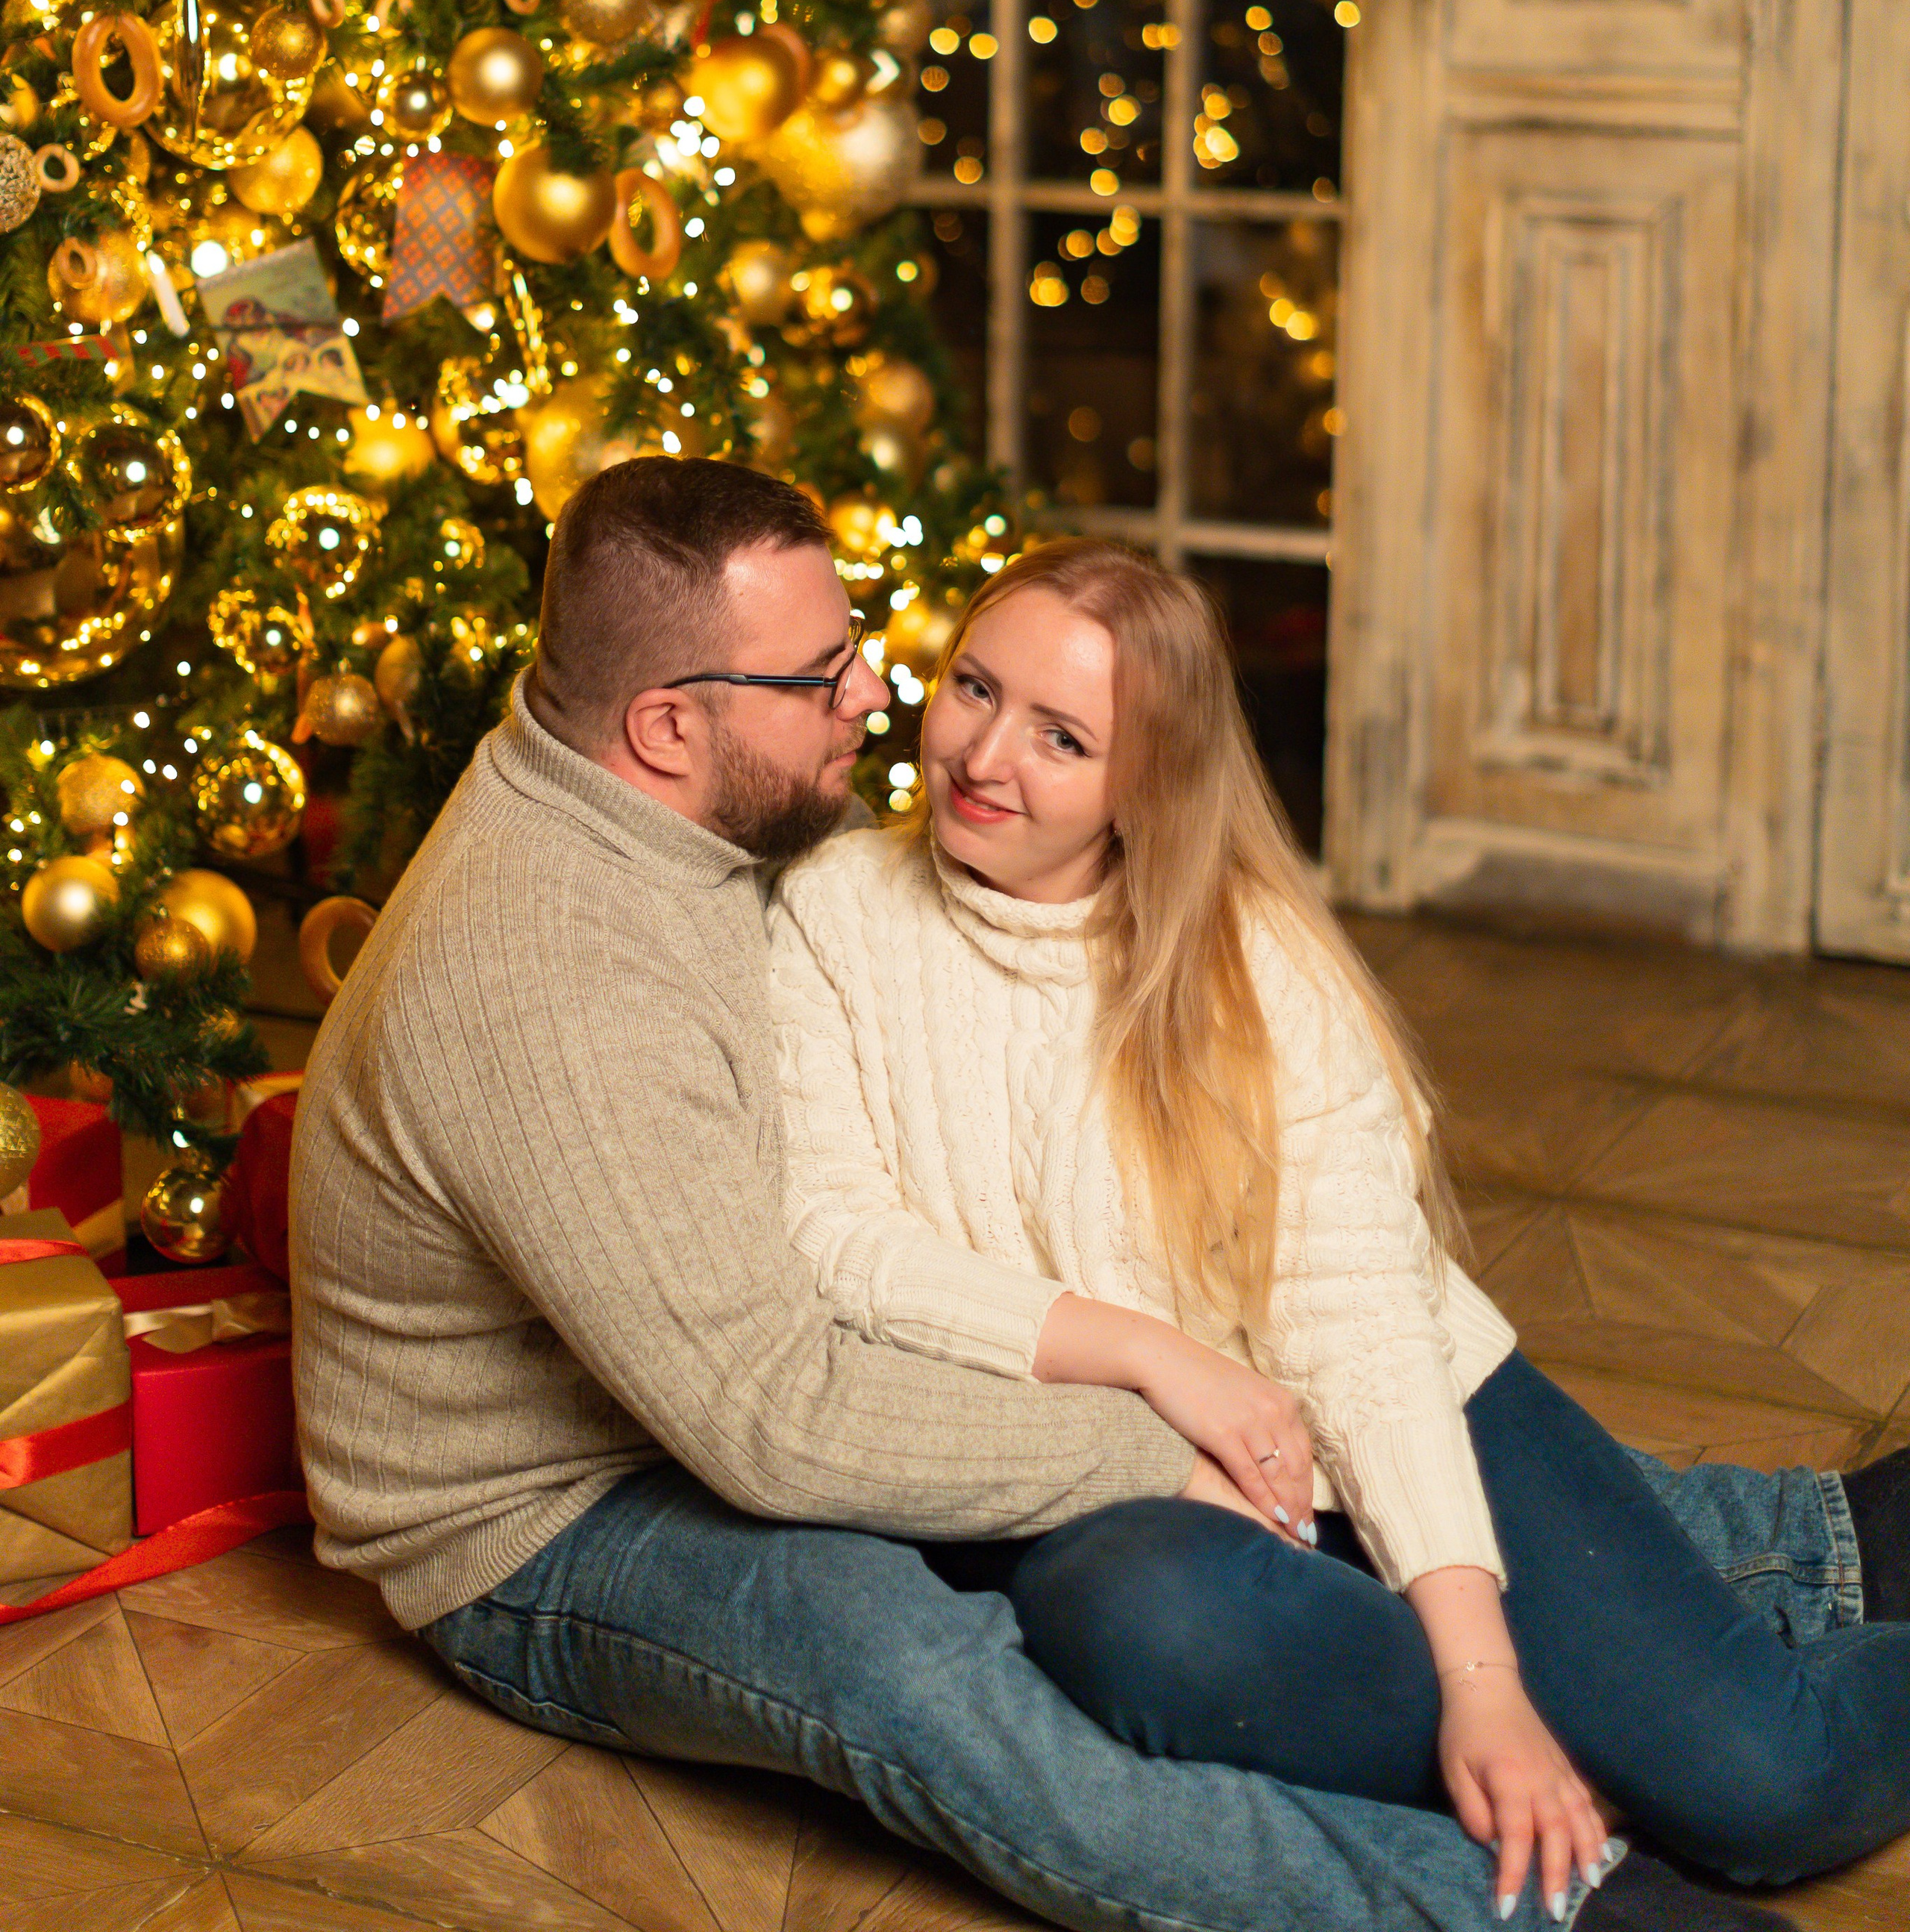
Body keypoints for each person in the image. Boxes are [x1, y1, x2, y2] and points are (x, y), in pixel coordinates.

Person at [292, 460, 1848, 1932]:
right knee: (921, 1670)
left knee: (1695, 1718)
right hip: (544, 1511)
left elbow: (1346, 1319)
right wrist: (1151, 1434)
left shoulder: (677, 819)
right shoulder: (565, 985)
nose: (883, 703)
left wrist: (1450, 1616)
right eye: (823, 678)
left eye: (873, 651)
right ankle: (1558, 1898)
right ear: (662, 729)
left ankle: (1790, 1561)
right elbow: (773, 1407)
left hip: (720, 1381)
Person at [770, 535, 1910, 1928]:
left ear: (1146, 784)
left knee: (1765, 1786)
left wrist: (1483, 1678)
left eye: (1061, 737)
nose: (984, 753)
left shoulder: (1254, 964)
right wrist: (1147, 1354)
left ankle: (1627, 1726)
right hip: (1122, 1482)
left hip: (1397, 1397)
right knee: (1138, 1612)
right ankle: (1585, 1796)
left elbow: (1360, 1329)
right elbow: (833, 1238)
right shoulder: (832, 910)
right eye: (974, 689)